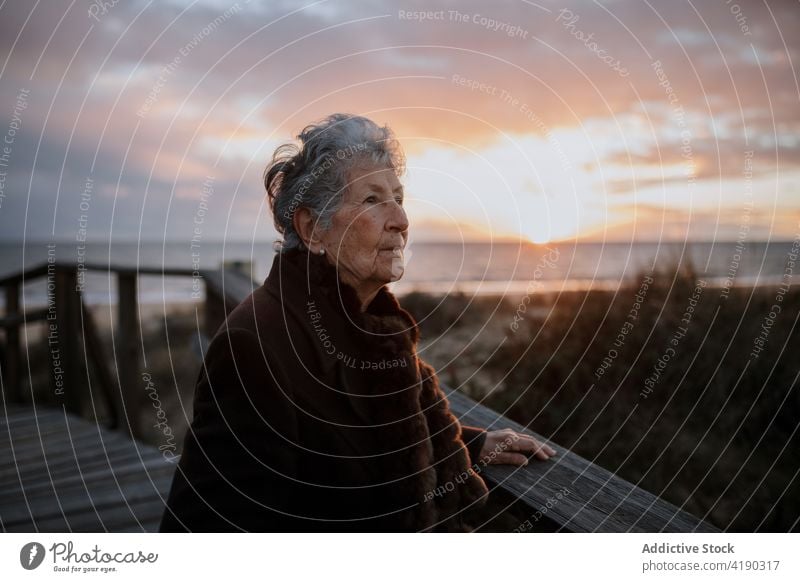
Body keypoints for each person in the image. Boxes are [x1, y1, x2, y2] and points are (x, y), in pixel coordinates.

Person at [159, 113, 555, 532]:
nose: (400, 221)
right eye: (371, 200)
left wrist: (467, 444)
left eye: (398, 198)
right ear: (312, 228)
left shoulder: (374, 324)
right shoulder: (254, 347)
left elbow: (385, 429)